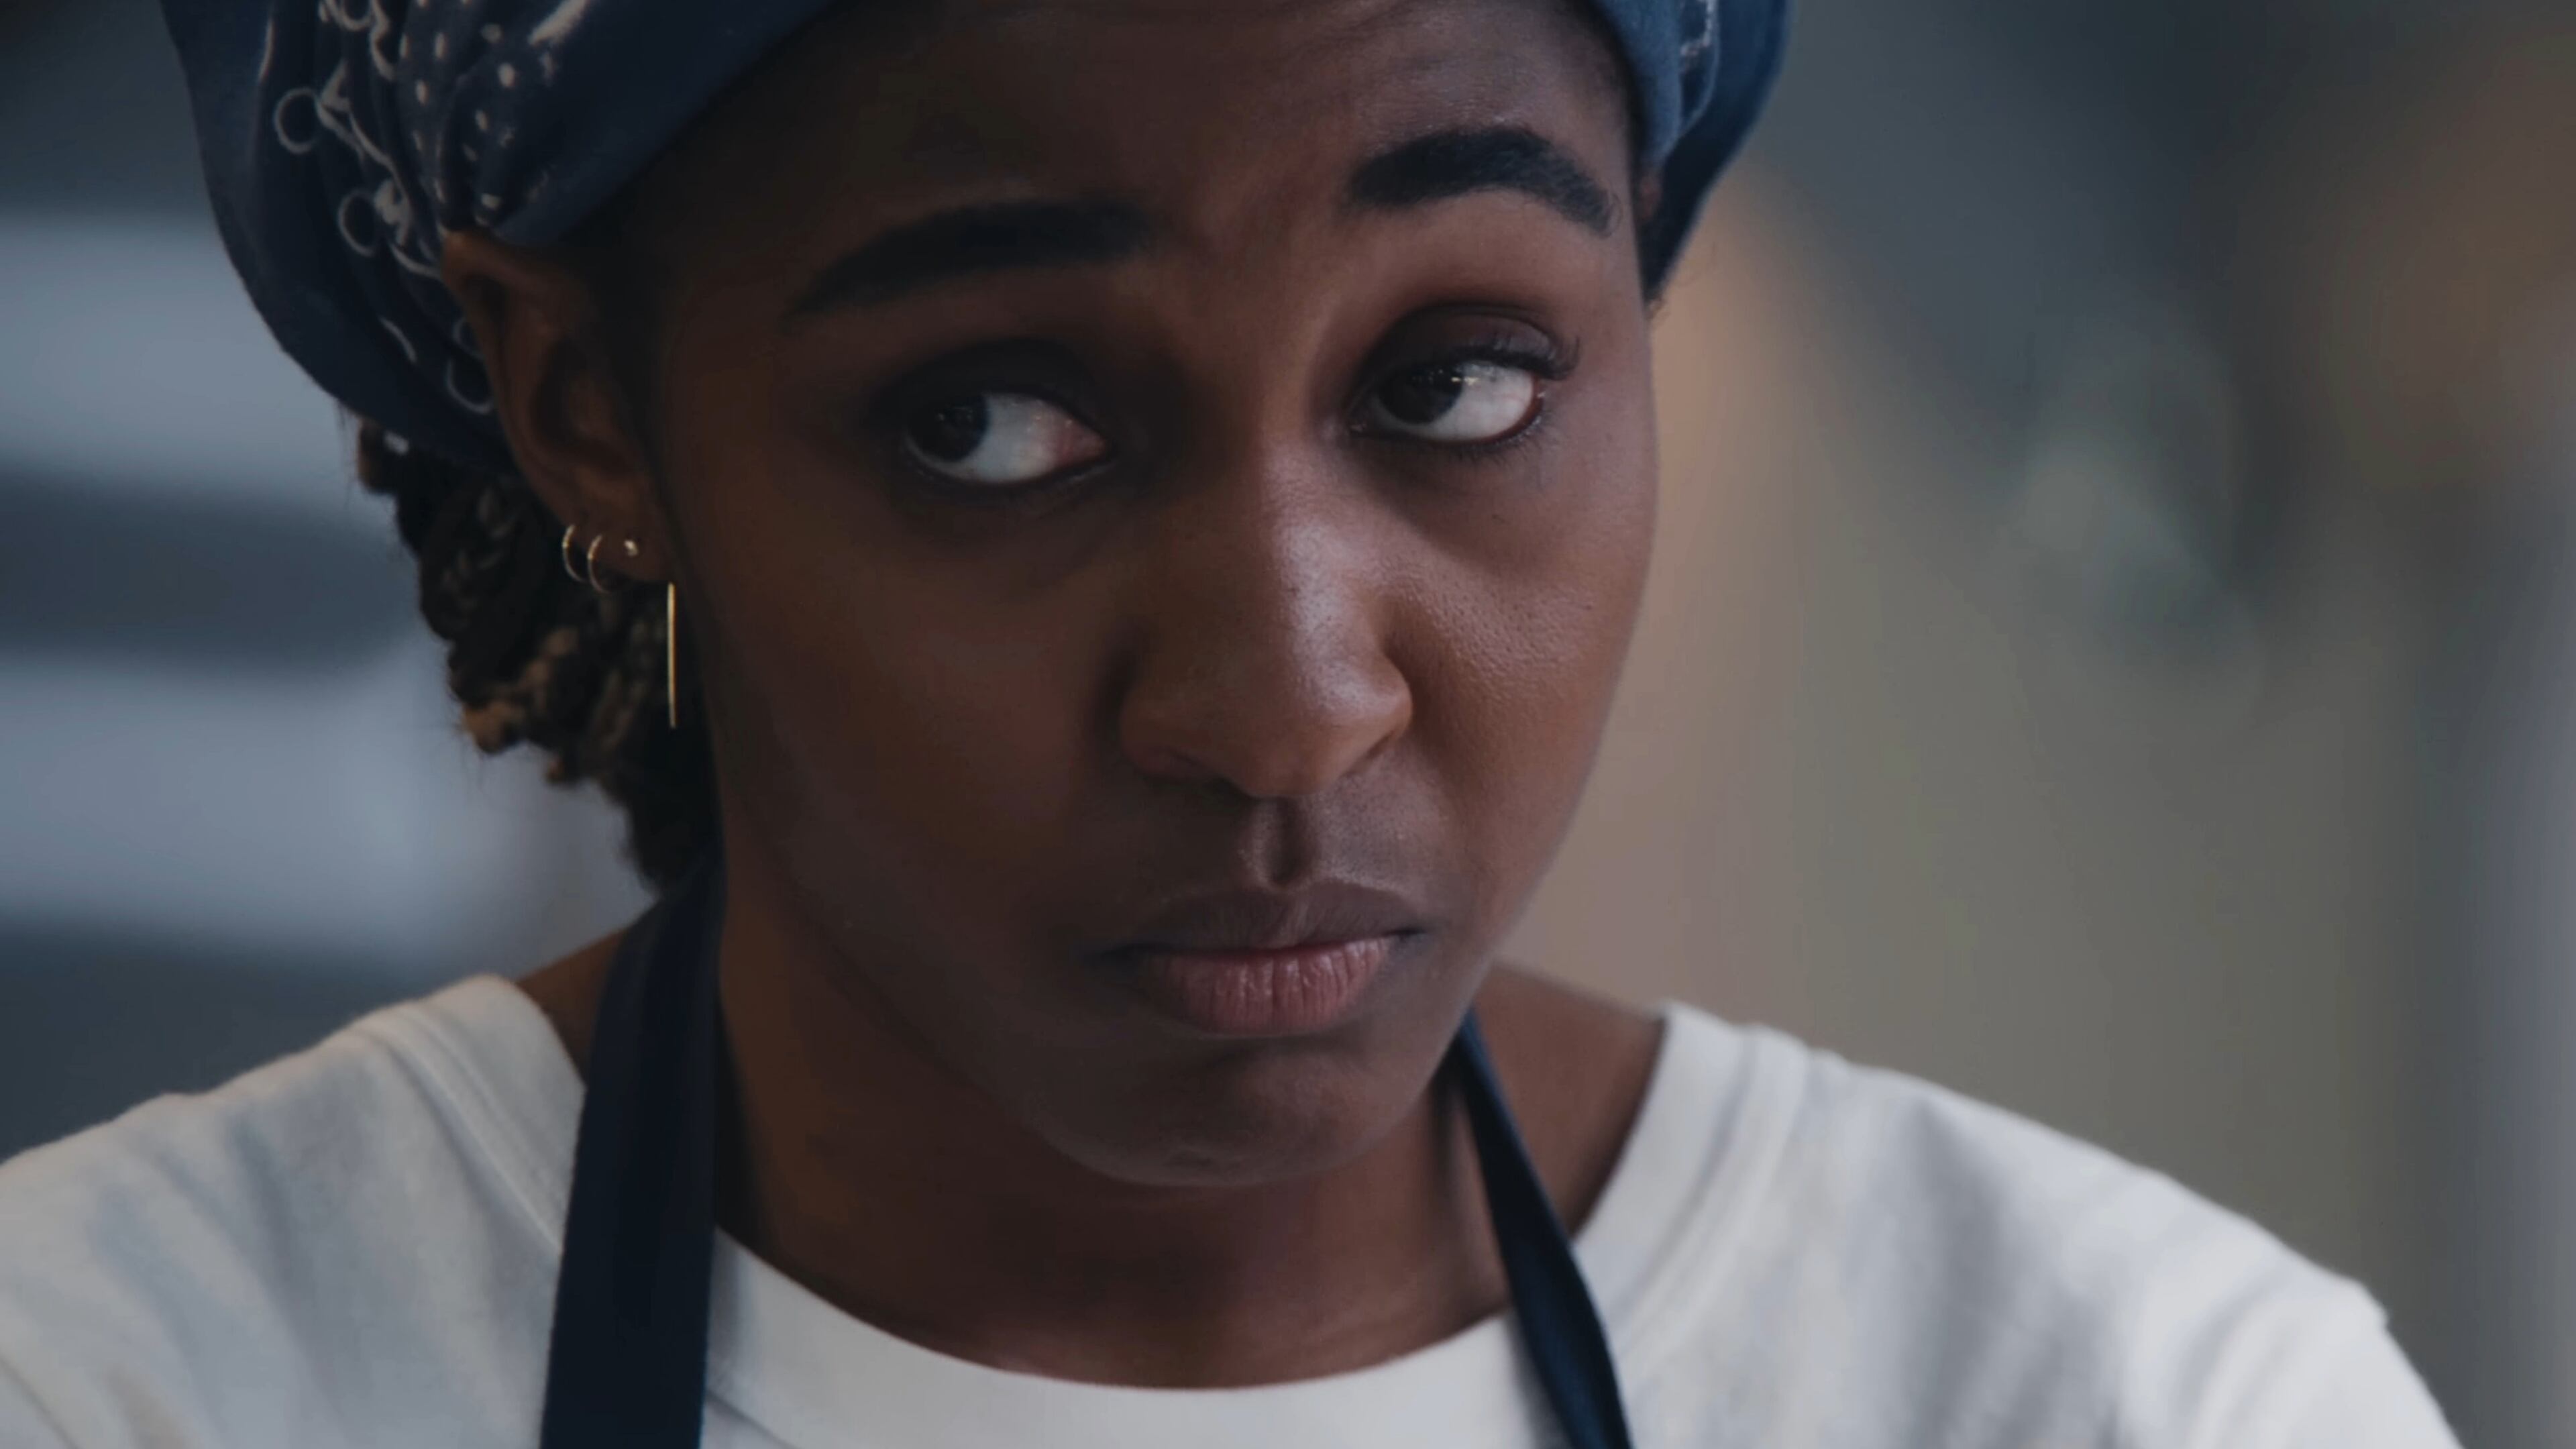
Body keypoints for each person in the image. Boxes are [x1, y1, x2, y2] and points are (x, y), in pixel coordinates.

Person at [0, 1, 2459, 1444]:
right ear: (585, 408)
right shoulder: (125, 1383)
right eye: (991, 424)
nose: (1288, 706)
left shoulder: (2132, 1398)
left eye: (1459, 382)